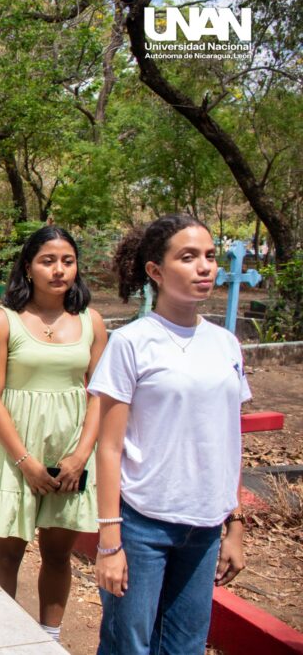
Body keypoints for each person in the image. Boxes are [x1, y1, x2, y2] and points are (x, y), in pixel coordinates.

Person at [89, 214, 250, 654]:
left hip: (203, 528)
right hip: (143, 524)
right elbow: (109, 447)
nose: (205, 267)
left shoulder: (226, 345)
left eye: (210, 256)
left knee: (185, 646)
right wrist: (109, 542)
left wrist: (233, 524)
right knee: (130, 646)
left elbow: (229, 440)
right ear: (155, 271)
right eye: (188, 257)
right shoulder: (133, 343)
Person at [0, 225, 107, 643]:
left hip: (70, 452)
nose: (59, 270)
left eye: (67, 261)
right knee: (7, 551)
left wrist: (81, 455)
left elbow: (99, 393)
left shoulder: (91, 322)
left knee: (58, 554)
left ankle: (48, 638)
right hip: (15, 452)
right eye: (47, 261)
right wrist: (25, 462)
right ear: (28, 267)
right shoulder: (2, 321)